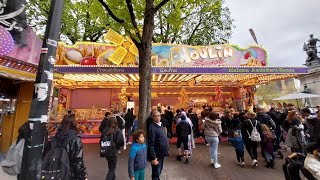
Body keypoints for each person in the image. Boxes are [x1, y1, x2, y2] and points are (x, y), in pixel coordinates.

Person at [44, 115, 88, 180]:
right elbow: (78, 161)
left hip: (55, 171)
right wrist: (82, 176)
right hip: (69, 173)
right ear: (74, 124)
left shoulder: (54, 138)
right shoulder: (75, 139)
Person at [147, 111, 169, 180]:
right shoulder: (152, 128)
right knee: (156, 173)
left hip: (161, 154)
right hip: (157, 155)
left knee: (159, 171)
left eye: (159, 115)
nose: (158, 117)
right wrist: (153, 157)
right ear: (153, 117)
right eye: (156, 116)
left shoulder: (160, 125)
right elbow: (151, 144)